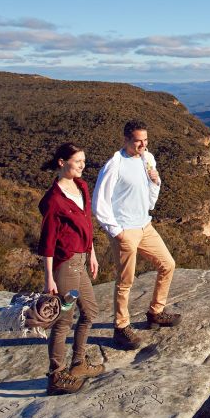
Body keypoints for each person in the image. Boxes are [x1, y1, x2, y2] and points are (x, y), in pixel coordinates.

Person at [93, 120, 180, 350]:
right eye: (138, 140)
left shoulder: (147, 159)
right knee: (125, 281)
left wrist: (155, 181)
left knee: (167, 264)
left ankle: (156, 312)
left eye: (145, 140)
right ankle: (121, 328)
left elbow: (151, 196)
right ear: (126, 140)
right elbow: (99, 202)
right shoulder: (115, 164)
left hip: (145, 225)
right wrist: (116, 231)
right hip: (125, 230)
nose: (142, 144)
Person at [38, 142, 103, 395]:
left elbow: (87, 224)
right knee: (64, 319)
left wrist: (92, 253)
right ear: (62, 163)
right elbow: (47, 243)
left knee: (90, 311)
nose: (82, 166)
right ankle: (55, 375)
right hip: (65, 268)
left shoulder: (82, 187)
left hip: (81, 263)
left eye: (83, 161)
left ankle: (78, 364)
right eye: (78, 161)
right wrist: (49, 279)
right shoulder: (53, 201)